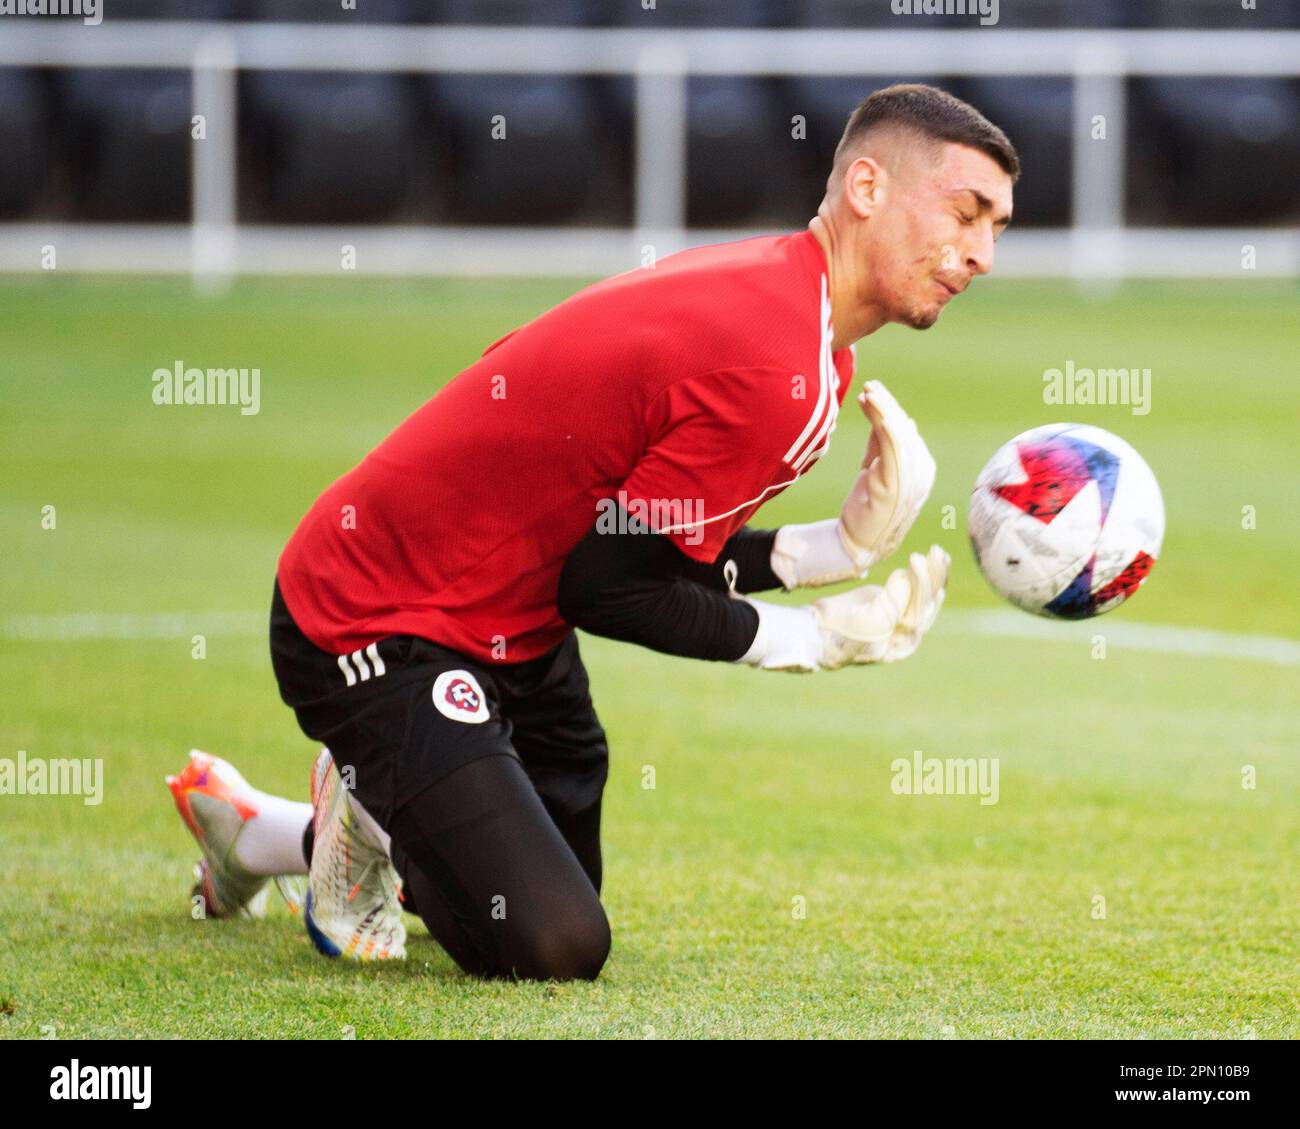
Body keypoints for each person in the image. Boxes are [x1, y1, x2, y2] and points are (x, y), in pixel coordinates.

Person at [167, 83, 1017, 980]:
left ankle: (258, 835)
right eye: (967, 214)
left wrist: (831, 550)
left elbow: (641, 545)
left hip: (504, 618)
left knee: (538, 885)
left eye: (999, 227)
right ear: (868, 188)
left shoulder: (810, 341)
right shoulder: (778, 359)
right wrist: (808, 638)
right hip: (373, 616)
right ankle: (364, 807)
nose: (984, 253)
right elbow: (609, 589)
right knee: (555, 940)